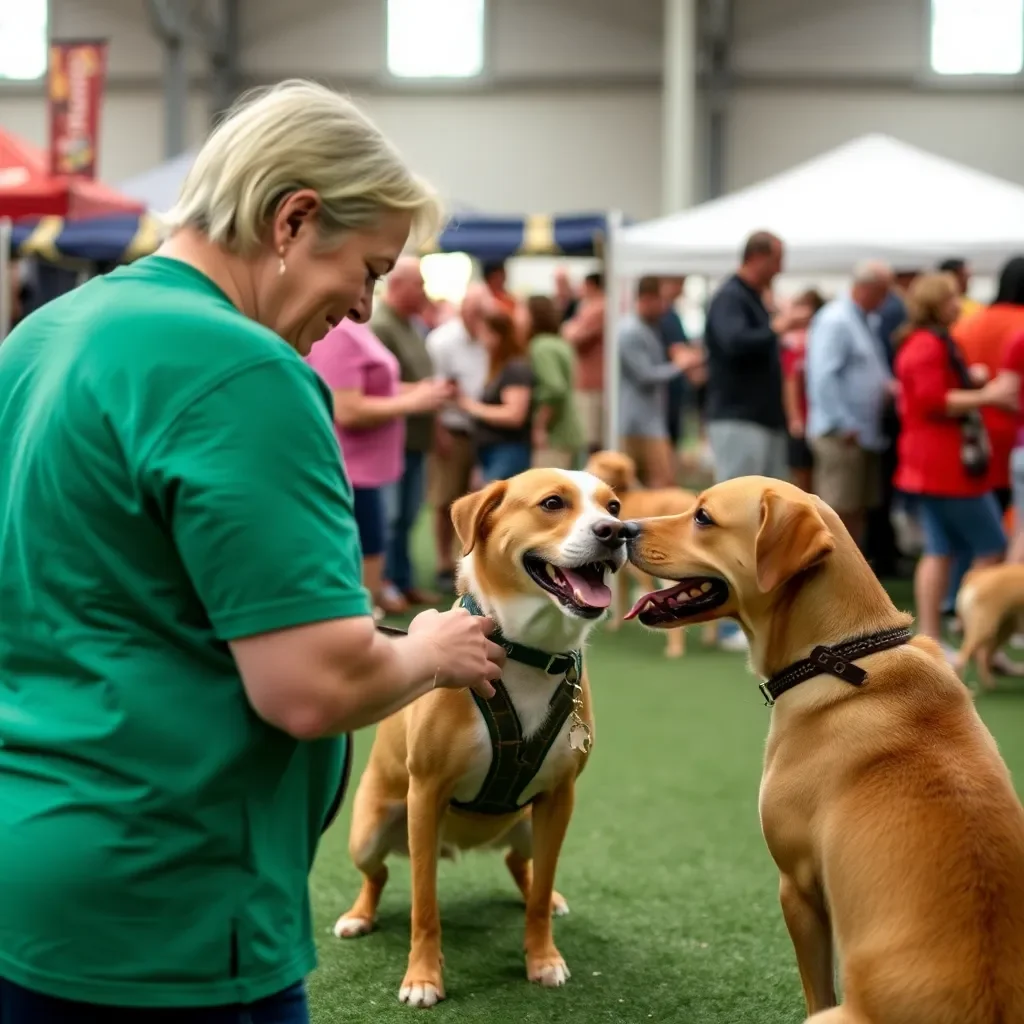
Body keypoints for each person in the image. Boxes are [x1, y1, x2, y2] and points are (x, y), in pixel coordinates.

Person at [0, 80, 506, 1024]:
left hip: (28, 868)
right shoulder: (247, 371)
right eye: (367, 267)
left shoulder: (41, 336)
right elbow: (311, 687)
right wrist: (431, 650)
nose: (361, 307)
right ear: (294, 218)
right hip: (169, 905)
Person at [893, 273, 1014, 656]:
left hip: (931, 465)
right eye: (950, 298)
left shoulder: (926, 341)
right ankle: (975, 633)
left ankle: (938, 635)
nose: (957, 302)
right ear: (935, 303)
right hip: (944, 466)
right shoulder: (928, 344)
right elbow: (932, 401)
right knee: (991, 544)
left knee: (939, 549)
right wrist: (988, 395)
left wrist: (974, 384)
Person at [306, 319, 450, 617]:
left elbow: (374, 387)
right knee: (362, 561)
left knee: (376, 547)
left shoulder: (355, 327)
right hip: (351, 469)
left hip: (369, 469)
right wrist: (413, 402)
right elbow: (346, 409)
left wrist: (414, 391)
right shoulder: (339, 334)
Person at [805, 262, 895, 546]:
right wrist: (842, 422)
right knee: (836, 509)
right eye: (882, 292)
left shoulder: (861, 319)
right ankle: (829, 576)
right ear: (866, 288)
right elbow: (822, 375)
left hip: (859, 433)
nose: (885, 300)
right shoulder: (836, 320)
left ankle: (848, 572)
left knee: (855, 507)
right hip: (842, 433)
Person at [370, 257, 442, 607]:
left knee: (409, 515)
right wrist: (422, 394)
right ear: (398, 285)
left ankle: (402, 580)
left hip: (415, 438)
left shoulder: (411, 324)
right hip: (391, 440)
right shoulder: (380, 324)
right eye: (419, 284)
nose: (424, 292)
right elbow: (377, 386)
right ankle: (384, 585)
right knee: (391, 516)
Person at [704, 231, 791, 484]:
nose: (779, 269)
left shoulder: (752, 297)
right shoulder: (731, 296)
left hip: (760, 418)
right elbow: (734, 342)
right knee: (737, 500)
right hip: (738, 417)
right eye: (776, 261)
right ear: (756, 258)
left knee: (766, 499)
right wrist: (776, 328)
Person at [425, 284, 491, 590]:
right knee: (445, 500)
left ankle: (471, 564)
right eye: (475, 312)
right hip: (454, 430)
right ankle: (442, 563)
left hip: (488, 433)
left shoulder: (490, 336)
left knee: (480, 502)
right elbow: (434, 389)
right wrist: (438, 431)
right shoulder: (442, 340)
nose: (479, 318)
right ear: (464, 310)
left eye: (484, 312)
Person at [618, 276, 704, 488]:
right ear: (647, 299)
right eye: (661, 301)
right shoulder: (631, 331)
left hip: (649, 421)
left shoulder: (646, 328)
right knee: (661, 486)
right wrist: (680, 366)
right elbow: (645, 375)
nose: (665, 308)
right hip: (639, 424)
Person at [457, 308, 534, 482]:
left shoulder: (515, 369)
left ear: (497, 336)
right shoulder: (498, 368)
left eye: (484, 333)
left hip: (508, 451)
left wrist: (472, 407)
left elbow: (514, 414)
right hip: (492, 451)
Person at [526, 294, 584, 470]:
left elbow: (554, 389)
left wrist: (539, 427)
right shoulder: (559, 343)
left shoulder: (540, 346)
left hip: (555, 435)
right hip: (570, 430)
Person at [780, 288, 825, 494]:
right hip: (805, 419)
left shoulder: (817, 338)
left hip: (818, 418)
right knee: (803, 479)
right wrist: (795, 417)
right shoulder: (794, 343)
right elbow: (791, 380)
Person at [561, 271, 606, 453]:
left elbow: (572, 335)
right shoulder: (589, 307)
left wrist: (568, 327)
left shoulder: (598, 308)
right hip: (588, 381)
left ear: (591, 286)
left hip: (592, 383)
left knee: (591, 437)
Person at [659, 276, 693, 448]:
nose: (682, 288)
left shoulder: (669, 315)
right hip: (668, 393)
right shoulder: (668, 317)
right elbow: (680, 354)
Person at [938, 257, 982, 322]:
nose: (967, 281)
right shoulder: (936, 307)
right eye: (964, 276)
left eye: (968, 276)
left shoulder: (976, 307)